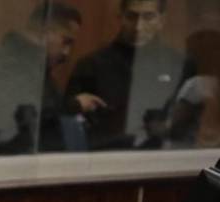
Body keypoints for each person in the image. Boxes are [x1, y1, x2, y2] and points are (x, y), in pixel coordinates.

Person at [66, 0, 191, 149]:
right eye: (131, 16)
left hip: (165, 156)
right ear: (120, 17)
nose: (138, 26)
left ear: (161, 20)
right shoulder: (91, 65)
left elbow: (190, 127)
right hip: (105, 155)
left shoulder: (179, 66)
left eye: (148, 17)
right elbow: (69, 125)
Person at [0, 1, 93, 154]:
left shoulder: (33, 68)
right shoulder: (5, 65)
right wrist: (74, 106)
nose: (66, 53)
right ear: (45, 31)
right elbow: (26, 121)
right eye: (65, 42)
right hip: (13, 159)